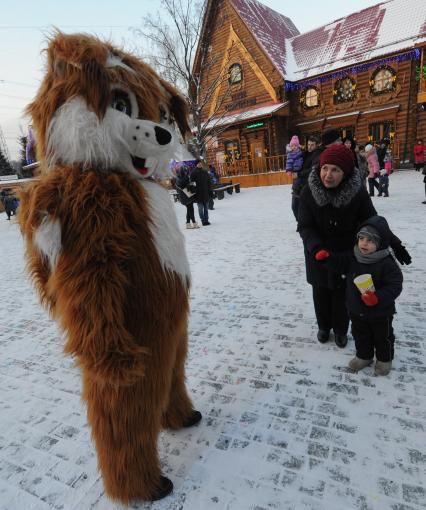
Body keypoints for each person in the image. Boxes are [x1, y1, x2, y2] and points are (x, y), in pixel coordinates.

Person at [297, 144, 411, 348]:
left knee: (343, 293)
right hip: (318, 254)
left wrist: (395, 244)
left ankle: (341, 330)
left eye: (335, 170)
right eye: (325, 168)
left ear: (346, 172)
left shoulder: (357, 193)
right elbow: (305, 226)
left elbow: (374, 221)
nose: (328, 175)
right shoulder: (308, 192)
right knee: (320, 292)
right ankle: (324, 326)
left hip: (346, 255)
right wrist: (315, 248)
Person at [315, 216, 403, 376]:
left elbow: (395, 286)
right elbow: (340, 262)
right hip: (356, 309)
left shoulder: (386, 263)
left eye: (370, 240)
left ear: (381, 243)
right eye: (361, 238)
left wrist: (378, 297)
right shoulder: (353, 256)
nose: (364, 243)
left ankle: (384, 359)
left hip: (380, 312)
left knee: (383, 337)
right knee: (360, 335)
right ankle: (364, 356)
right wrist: (327, 258)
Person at [290, 136, 321, 220]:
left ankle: (305, 225)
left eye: (312, 145)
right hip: (298, 185)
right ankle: (301, 223)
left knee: (303, 208)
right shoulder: (305, 153)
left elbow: (312, 170)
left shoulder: (317, 155)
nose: (310, 147)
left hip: (307, 185)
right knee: (295, 206)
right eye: (308, 144)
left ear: (317, 145)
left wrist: (299, 174)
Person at [286, 135, 304, 219]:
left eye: (295, 146)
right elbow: (289, 163)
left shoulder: (301, 152)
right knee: (296, 182)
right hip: (295, 171)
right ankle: (296, 191)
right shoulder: (290, 154)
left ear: (298, 146)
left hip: (301, 171)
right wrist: (289, 170)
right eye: (292, 146)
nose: (294, 147)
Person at [190, 160, 213, 226]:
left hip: (205, 193)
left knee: (206, 208)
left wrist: (210, 191)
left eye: (200, 163)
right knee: (200, 209)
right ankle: (203, 220)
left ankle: (206, 220)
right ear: (196, 164)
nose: (200, 164)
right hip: (198, 194)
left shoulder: (205, 172)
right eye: (198, 163)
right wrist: (193, 192)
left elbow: (209, 182)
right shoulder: (193, 173)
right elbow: (192, 184)